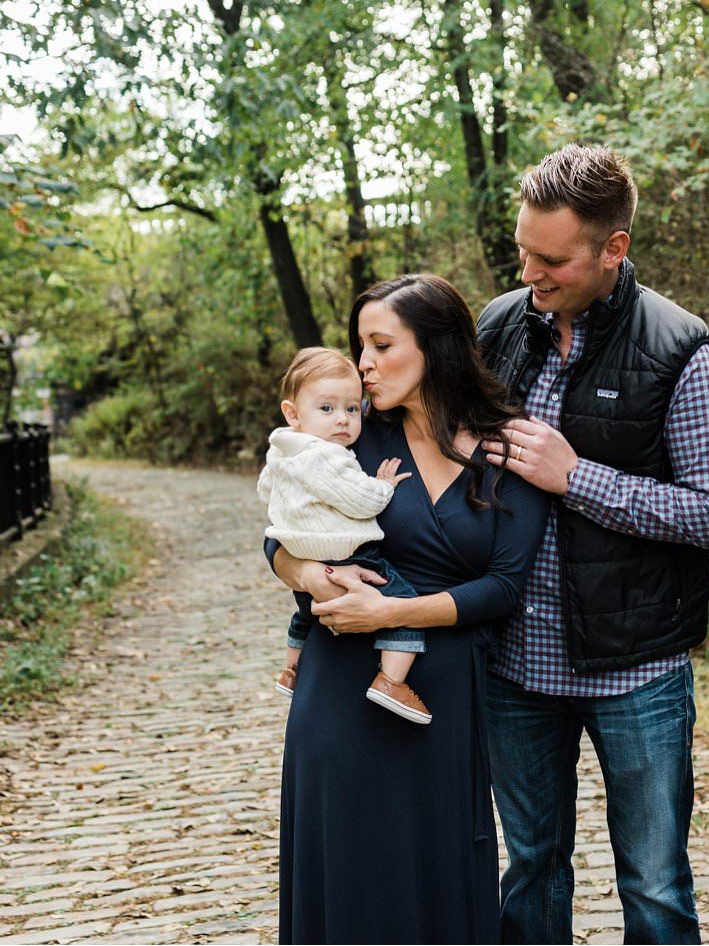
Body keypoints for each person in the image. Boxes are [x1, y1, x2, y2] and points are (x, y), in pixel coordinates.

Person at [476, 144, 709, 944]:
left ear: (612, 249)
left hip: (639, 670)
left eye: (551, 258)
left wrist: (577, 476)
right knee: (529, 869)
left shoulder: (680, 350)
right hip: (514, 666)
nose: (530, 271)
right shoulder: (497, 328)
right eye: (523, 250)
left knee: (656, 886)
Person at [263, 274, 551, 944]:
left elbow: (506, 586)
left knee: (431, 867)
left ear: (436, 346)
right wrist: (307, 572)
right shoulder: (353, 438)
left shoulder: (507, 446)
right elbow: (281, 529)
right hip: (340, 687)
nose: (362, 363)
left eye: (380, 343)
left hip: (441, 693)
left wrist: (396, 610)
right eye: (360, 343)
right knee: (351, 870)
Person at [256, 346, 432, 724]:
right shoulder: (328, 456)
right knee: (403, 606)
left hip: (303, 551)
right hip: (347, 554)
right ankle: (391, 680)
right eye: (327, 409)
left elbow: (265, 492)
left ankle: (291, 671)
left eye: (352, 409)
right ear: (293, 413)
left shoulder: (282, 450)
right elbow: (360, 501)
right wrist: (383, 486)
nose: (342, 420)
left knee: (306, 613)